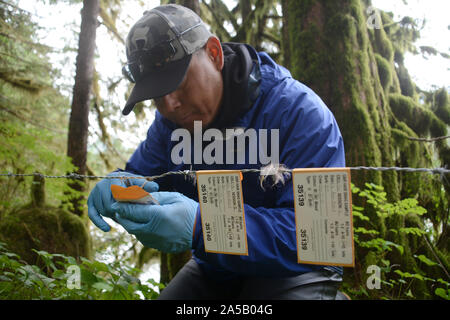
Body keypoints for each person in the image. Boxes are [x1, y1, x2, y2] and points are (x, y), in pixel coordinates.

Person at [88, 4, 346, 300]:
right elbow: (142, 176)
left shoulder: (300, 113)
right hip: (217, 267)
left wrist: (205, 225)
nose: (170, 104)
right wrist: (118, 185)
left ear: (214, 54)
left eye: (177, 82)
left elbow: (320, 236)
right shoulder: (171, 125)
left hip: (299, 269)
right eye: (156, 94)